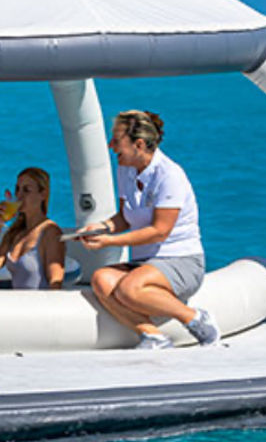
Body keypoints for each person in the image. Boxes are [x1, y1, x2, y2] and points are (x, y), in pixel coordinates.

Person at [78, 110, 219, 349]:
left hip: (181, 261)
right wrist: (101, 228)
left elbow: (159, 231)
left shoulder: (169, 175)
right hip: (147, 264)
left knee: (129, 288)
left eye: (116, 140)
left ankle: (195, 318)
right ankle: (153, 335)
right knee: (101, 279)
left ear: (139, 144)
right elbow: (124, 218)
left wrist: (109, 242)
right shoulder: (126, 169)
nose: (111, 145)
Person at [0, 167, 66, 289]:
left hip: (37, 305)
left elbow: (56, 284)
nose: (19, 195)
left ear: (43, 194)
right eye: (17, 189)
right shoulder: (16, 232)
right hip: (17, 305)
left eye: (26, 190)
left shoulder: (50, 232)